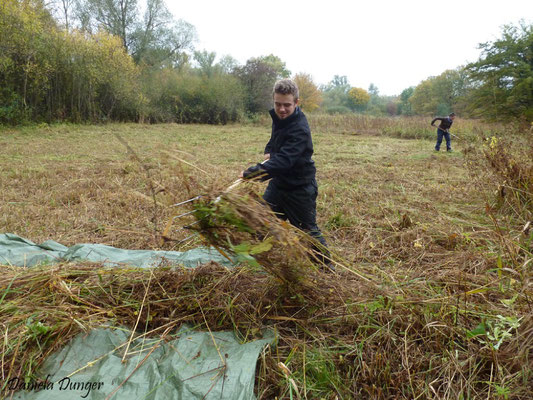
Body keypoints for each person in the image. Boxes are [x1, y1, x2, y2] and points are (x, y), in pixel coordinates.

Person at [240, 79, 331, 268]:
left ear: (296, 103)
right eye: (278, 104)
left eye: (287, 105)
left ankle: (326, 269)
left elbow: (284, 161)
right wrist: (269, 149)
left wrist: (253, 173)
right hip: (279, 185)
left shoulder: (300, 128)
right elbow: (275, 140)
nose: (281, 109)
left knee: (307, 233)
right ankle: (260, 260)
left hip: (299, 189)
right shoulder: (281, 118)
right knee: (262, 221)